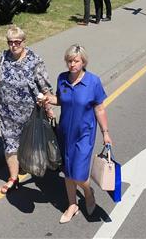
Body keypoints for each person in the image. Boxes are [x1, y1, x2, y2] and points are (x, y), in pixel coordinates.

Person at [42, 45, 111, 224]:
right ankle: (72, 205)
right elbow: (61, 100)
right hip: (65, 133)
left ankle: (89, 193)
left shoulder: (93, 82)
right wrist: (48, 99)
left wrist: (105, 132)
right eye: (69, 61)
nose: (72, 64)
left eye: (76, 61)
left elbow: (99, 108)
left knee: (78, 174)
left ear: (83, 62)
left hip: (84, 135)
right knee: (67, 171)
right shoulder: (62, 79)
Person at [0, 26, 52, 194]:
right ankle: (13, 178)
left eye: (17, 42)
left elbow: (45, 87)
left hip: (30, 113)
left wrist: (48, 107)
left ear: (24, 42)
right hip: (7, 112)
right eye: (10, 42)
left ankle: (29, 165)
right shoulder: (3, 57)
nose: (13, 46)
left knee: (29, 143)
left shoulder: (34, 60)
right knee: (10, 144)